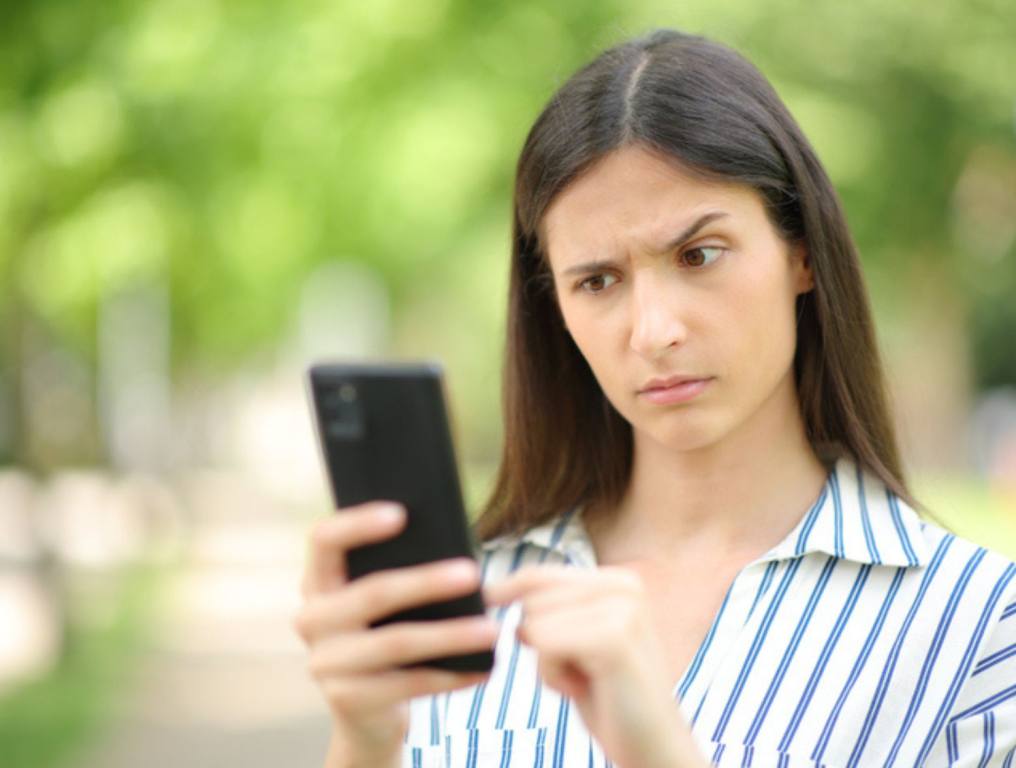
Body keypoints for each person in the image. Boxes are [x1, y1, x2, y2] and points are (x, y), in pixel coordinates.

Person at [293, 28, 1016, 767]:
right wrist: (364, 740)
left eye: (698, 255)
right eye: (597, 281)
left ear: (800, 251)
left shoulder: (978, 631)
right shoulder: (465, 607)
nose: (654, 331)